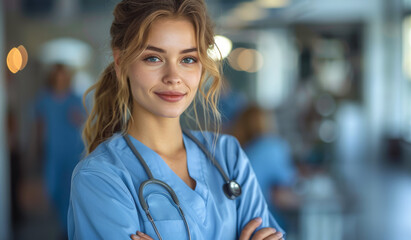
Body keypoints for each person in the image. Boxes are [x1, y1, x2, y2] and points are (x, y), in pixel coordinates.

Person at [67, 0, 285, 239]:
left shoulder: (228, 157)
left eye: (188, 59)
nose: (173, 77)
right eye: (153, 58)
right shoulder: (100, 177)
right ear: (121, 63)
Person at [34, 63, 85, 238]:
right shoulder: (44, 99)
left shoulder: (76, 99)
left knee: (70, 191)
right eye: (58, 76)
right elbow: (39, 127)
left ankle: (67, 229)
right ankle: (64, 222)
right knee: (52, 189)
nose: (61, 79)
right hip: (52, 153)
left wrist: (78, 118)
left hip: (73, 152)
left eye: (64, 76)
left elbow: (85, 123)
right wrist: (37, 150)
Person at [231, 105, 298, 230]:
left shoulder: (236, 149)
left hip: (237, 224)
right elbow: (282, 194)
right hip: (263, 224)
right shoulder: (272, 146)